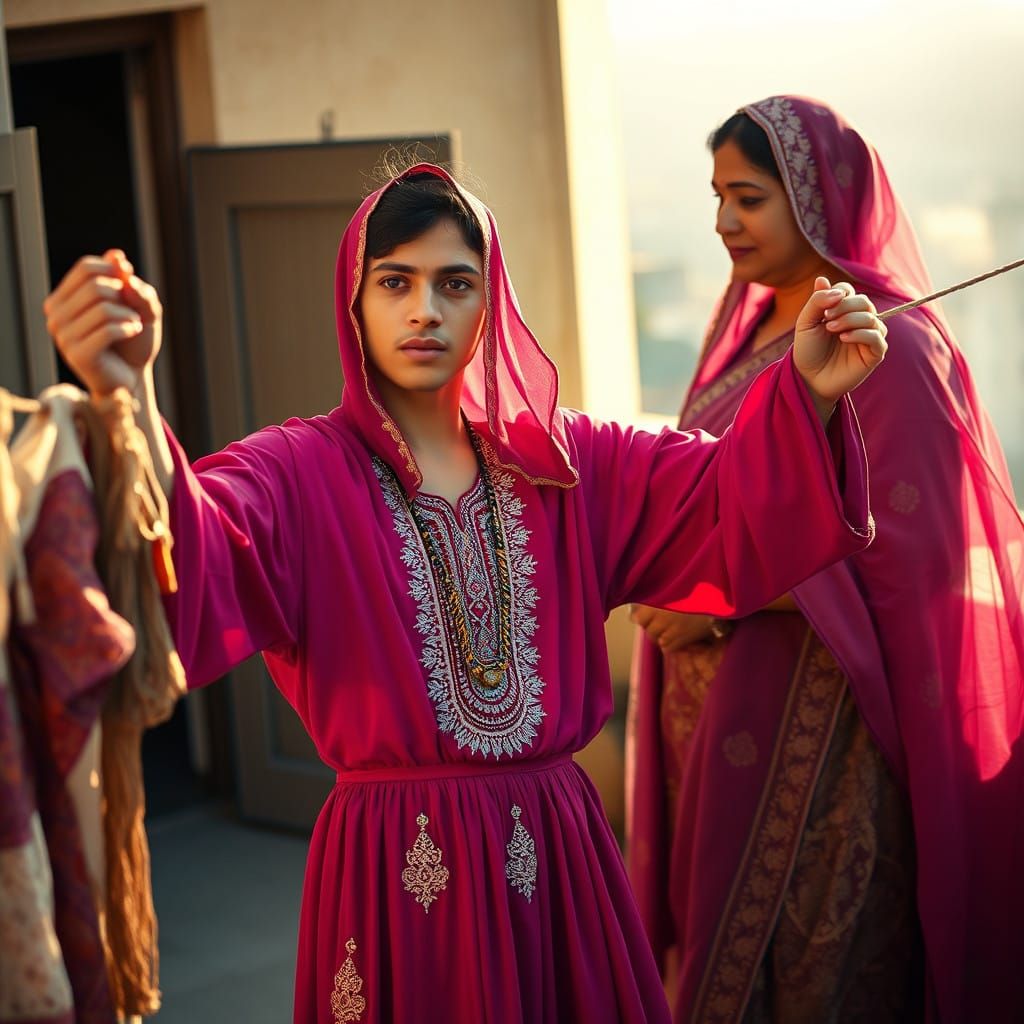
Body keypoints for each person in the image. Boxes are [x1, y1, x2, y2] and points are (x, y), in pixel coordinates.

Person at [43, 162, 886, 1024]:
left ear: (493, 303)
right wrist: (130, 392)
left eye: (456, 284)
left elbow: (726, 496)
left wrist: (809, 393)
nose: (424, 311)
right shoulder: (299, 473)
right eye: (395, 283)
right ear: (354, 303)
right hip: (396, 873)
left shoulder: (567, 464)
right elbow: (198, 545)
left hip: (556, 859)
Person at [627, 96, 1024, 1024]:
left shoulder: (892, 349)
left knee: (817, 978)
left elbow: (914, 562)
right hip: (711, 732)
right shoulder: (752, 336)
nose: (725, 222)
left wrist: (721, 601)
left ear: (821, 201)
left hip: (822, 744)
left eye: (750, 197)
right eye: (717, 195)